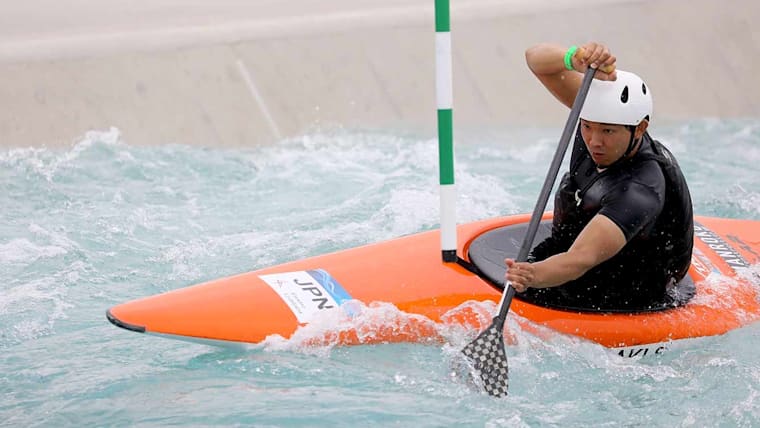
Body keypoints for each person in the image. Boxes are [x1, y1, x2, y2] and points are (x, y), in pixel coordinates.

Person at [504, 42, 694, 311]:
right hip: (581, 250)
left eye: (607, 131)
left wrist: (531, 276)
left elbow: (580, 258)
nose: (594, 141)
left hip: (622, 289)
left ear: (640, 128)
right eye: (587, 127)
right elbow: (534, 59)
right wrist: (573, 58)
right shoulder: (596, 113)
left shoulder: (639, 191)